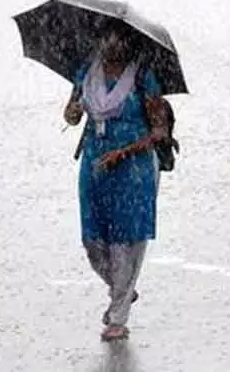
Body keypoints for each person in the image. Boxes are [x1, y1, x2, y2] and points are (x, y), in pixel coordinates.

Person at [63, 22, 168, 342]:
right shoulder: (86, 73)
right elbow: (70, 117)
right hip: (95, 165)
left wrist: (122, 153)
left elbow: (159, 132)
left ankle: (118, 315)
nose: (111, 45)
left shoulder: (142, 77)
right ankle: (122, 288)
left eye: (118, 39)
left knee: (126, 241)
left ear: (129, 43)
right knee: (94, 241)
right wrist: (74, 109)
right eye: (106, 38)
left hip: (134, 169)